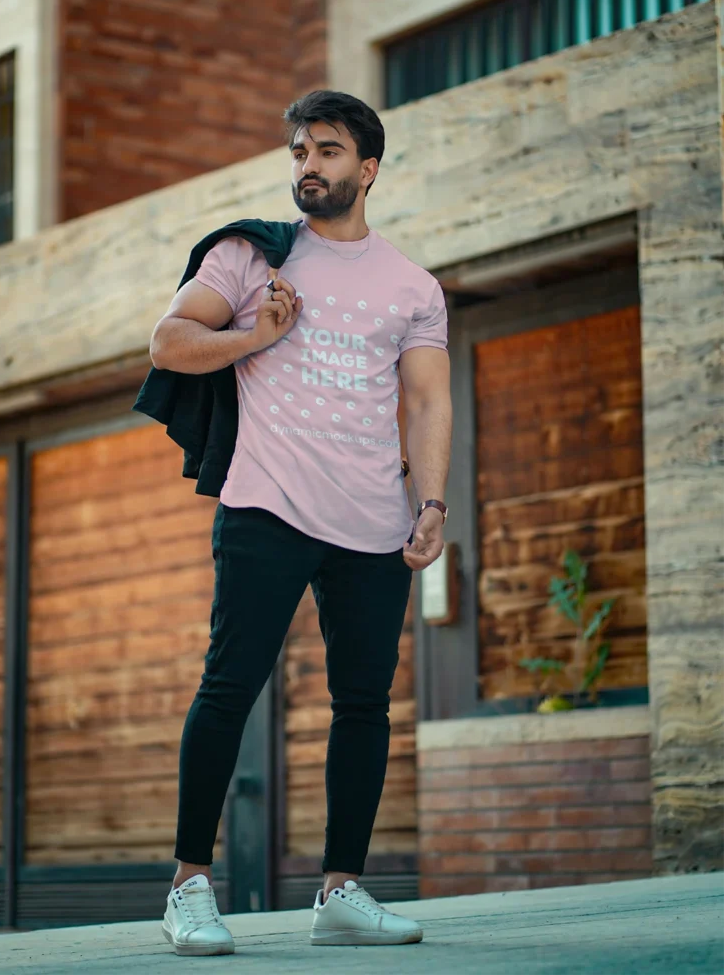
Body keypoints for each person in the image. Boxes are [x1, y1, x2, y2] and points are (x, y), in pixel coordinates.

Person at [151, 90, 452, 956]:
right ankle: (189, 887)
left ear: (367, 168)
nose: (306, 165)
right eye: (296, 151)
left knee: (363, 705)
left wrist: (429, 503)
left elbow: (428, 399)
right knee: (229, 687)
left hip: (371, 518)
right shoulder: (253, 257)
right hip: (267, 504)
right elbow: (167, 343)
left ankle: (341, 892)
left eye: (325, 150)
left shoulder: (411, 286)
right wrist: (254, 337)